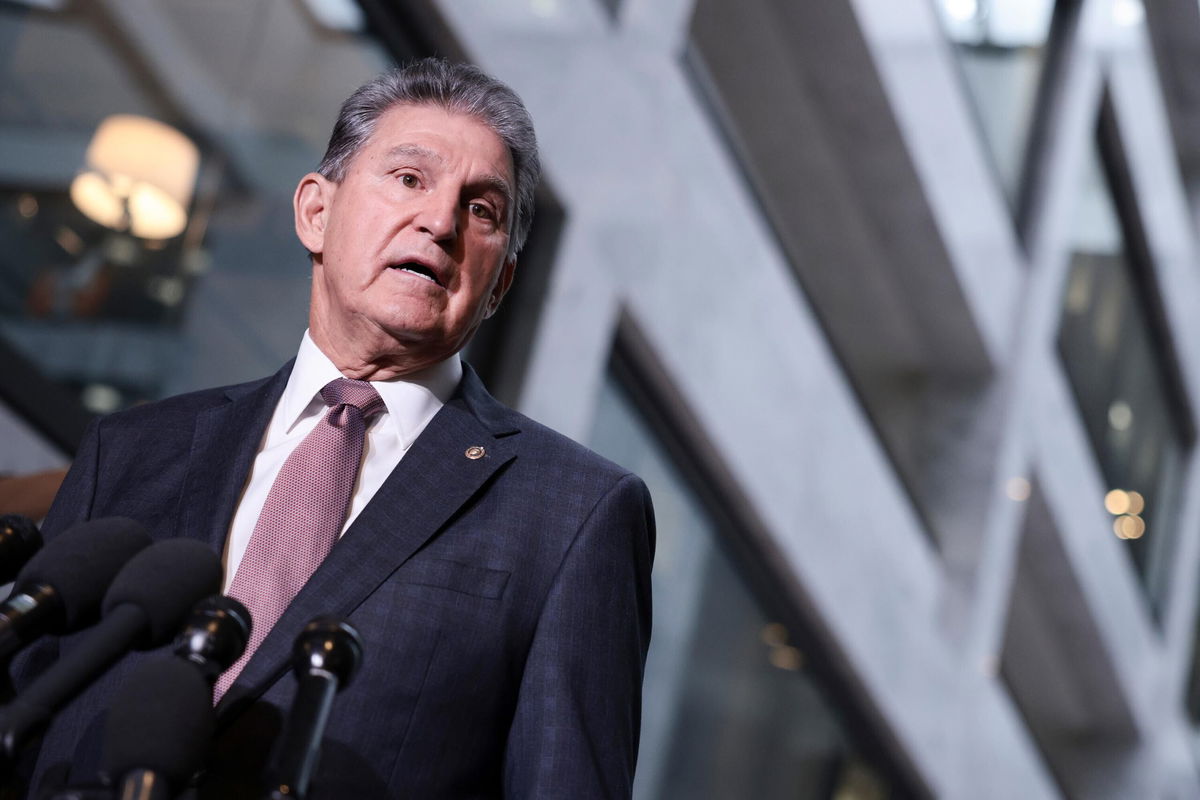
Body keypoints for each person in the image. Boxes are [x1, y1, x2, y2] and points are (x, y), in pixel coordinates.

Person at [19, 58, 654, 799]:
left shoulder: (574, 513)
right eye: (410, 179)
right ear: (316, 212)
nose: (441, 222)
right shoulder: (133, 451)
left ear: (500, 285)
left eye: (482, 210)